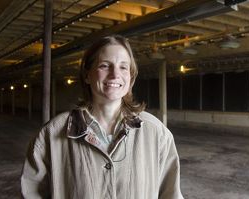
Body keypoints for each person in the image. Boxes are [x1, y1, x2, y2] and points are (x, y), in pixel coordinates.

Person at [21, 35, 184, 199]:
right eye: (105, 66)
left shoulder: (157, 132)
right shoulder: (52, 134)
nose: (115, 75)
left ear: (131, 77)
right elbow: (31, 193)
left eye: (123, 67)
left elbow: (171, 194)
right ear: (87, 75)